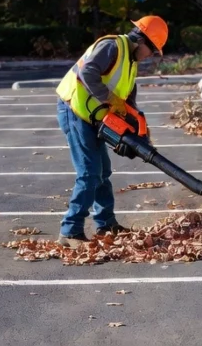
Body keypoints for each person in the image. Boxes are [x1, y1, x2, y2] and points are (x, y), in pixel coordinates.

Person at [54, 16, 168, 248]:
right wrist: (109, 98)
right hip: (74, 110)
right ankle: (70, 231)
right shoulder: (112, 46)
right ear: (141, 39)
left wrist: (140, 134)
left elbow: (128, 101)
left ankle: (106, 223)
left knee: (103, 171)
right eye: (152, 50)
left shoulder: (130, 62)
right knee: (90, 173)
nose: (150, 56)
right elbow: (87, 73)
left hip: (92, 116)